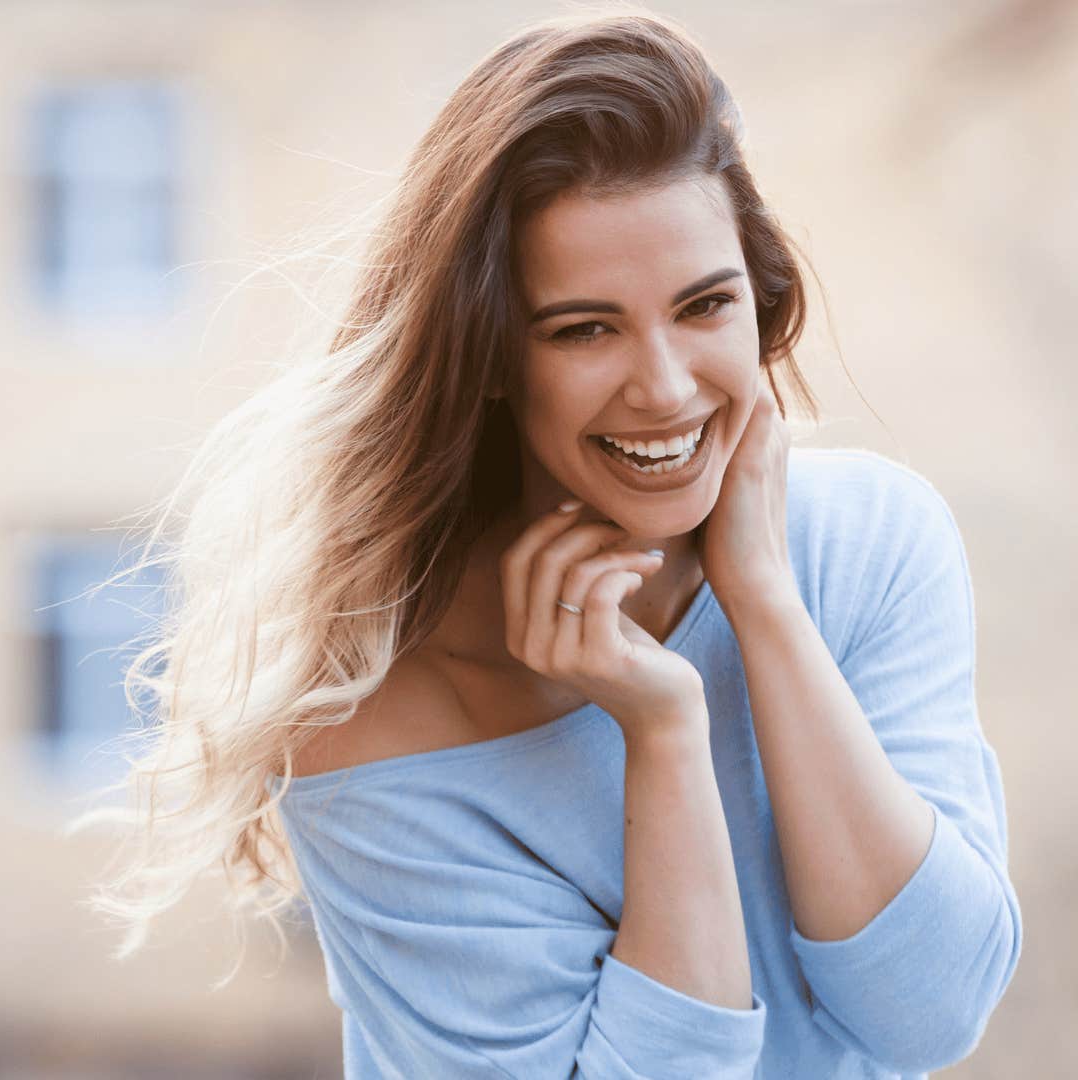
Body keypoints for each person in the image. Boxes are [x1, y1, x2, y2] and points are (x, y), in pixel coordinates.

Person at [75, 10, 1021, 1078]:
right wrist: (663, 735)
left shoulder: (870, 546)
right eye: (584, 328)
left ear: (759, 302)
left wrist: (766, 608)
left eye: (705, 306)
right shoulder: (374, 714)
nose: (664, 386)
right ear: (486, 354)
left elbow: (932, 1015)